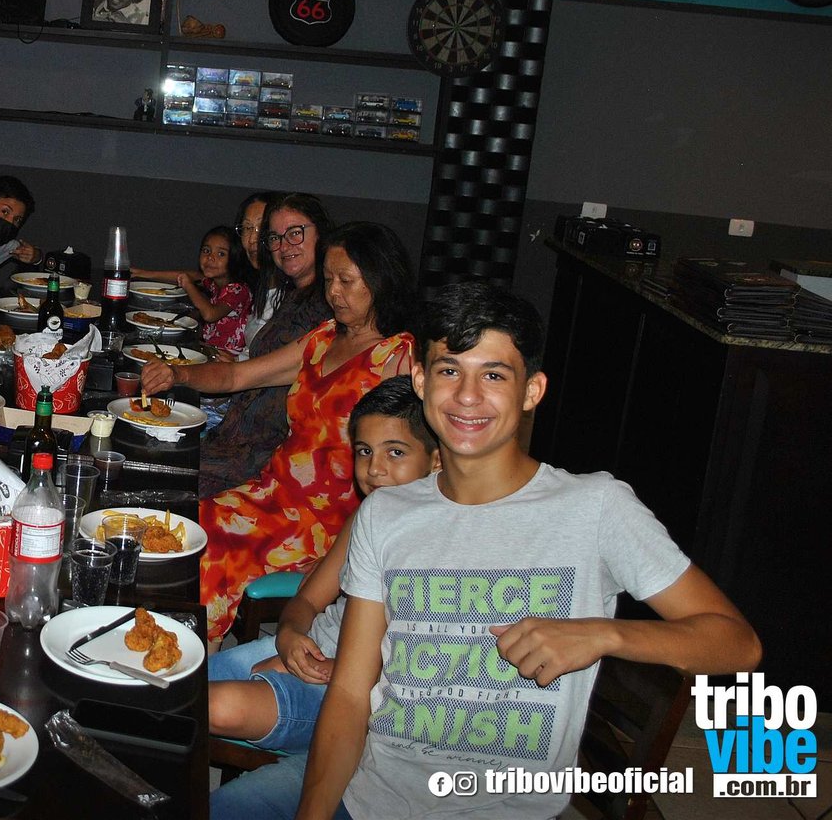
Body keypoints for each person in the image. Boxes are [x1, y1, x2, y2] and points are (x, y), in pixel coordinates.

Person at [297, 282, 761, 820]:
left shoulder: (596, 507)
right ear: (421, 382)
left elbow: (737, 643)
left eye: (494, 375)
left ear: (532, 391)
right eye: (449, 371)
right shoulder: (384, 513)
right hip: (375, 794)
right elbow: (350, 694)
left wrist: (604, 634)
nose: (467, 396)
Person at [144, 221, 418, 640]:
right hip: (272, 492)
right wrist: (177, 374)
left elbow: (415, 467)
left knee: (213, 558)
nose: (334, 292)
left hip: (326, 522)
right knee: (184, 530)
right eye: (328, 279)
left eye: (346, 281)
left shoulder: (399, 358)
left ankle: (193, 660)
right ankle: (174, 647)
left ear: (381, 281)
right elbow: (237, 376)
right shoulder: (324, 339)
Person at [207, 376, 438, 820]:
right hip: (308, 650)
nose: (374, 469)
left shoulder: (441, 545)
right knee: (166, 690)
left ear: (436, 459)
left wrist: (337, 670)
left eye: (396, 452)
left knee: (213, 704)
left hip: (348, 690)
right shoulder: (369, 515)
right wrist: (289, 635)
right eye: (365, 451)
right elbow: (308, 601)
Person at [181, 193, 334, 496]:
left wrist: (179, 374)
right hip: (235, 437)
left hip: (261, 456)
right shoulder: (292, 297)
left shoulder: (323, 309)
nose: (284, 246)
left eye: (295, 233)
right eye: (275, 237)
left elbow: (239, 376)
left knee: (165, 474)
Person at [134, 225, 255, 355]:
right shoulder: (214, 282)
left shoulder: (238, 289)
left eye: (221, 254)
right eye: (206, 250)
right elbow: (187, 275)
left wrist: (188, 285)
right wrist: (145, 274)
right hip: (210, 349)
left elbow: (210, 314)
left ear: (236, 258)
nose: (210, 257)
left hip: (228, 356)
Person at [230, 191, 284, 356]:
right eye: (247, 228)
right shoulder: (260, 285)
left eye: (262, 228)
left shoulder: (295, 297)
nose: (252, 238)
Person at [0, 174, 41, 295]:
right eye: (5, 211)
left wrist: (35, 256)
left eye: (17, 220)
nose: (9, 222)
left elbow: (30, 253)